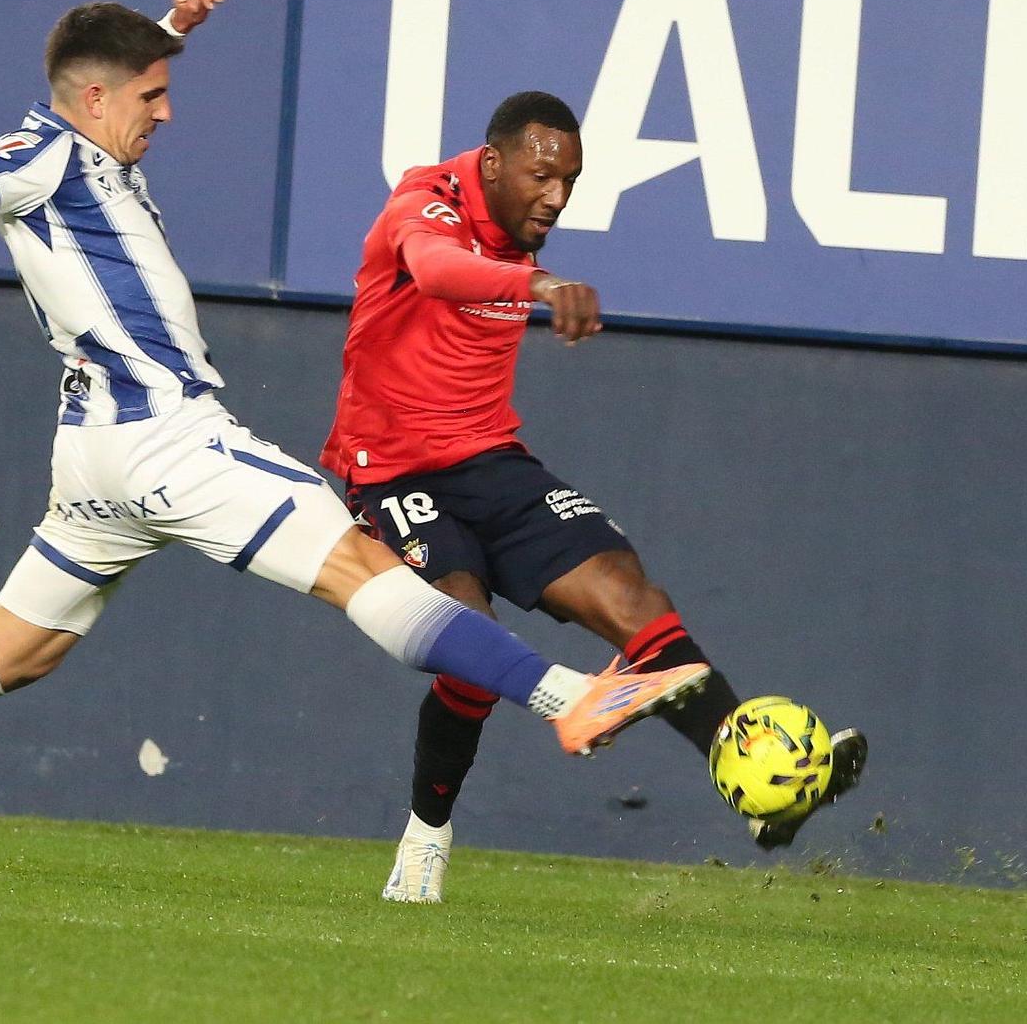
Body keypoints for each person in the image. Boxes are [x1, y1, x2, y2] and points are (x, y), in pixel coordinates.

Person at [0, 0, 711, 859]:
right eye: (153, 94)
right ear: (94, 99)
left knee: (9, 651)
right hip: (165, 434)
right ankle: (567, 697)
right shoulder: (34, 161)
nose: (166, 112)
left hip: (94, 457)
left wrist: (175, 23)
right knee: (363, 566)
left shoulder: (76, 132)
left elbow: (111, 65)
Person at [322, 91, 868, 904]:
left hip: (492, 458)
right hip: (391, 466)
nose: (557, 197)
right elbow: (436, 271)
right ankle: (426, 837)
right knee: (469, 642)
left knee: (629, 594)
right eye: (542, 176)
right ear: (494, 163)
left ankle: (754, 771)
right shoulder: (422, 202)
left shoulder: (523, 223)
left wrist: (532, 275)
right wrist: (537, 284)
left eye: (571, 179)